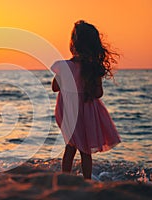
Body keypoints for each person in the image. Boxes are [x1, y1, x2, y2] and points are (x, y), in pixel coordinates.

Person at [51, 20, 121, 179]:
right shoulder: (92, 68)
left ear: (73, 43)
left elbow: (55, 87)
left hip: (68, 111)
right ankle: (87, 181)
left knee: (70, 147)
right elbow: (98, 94)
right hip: (87, 112)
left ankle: (65, 178)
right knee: (85, 151)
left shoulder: (64, 66)